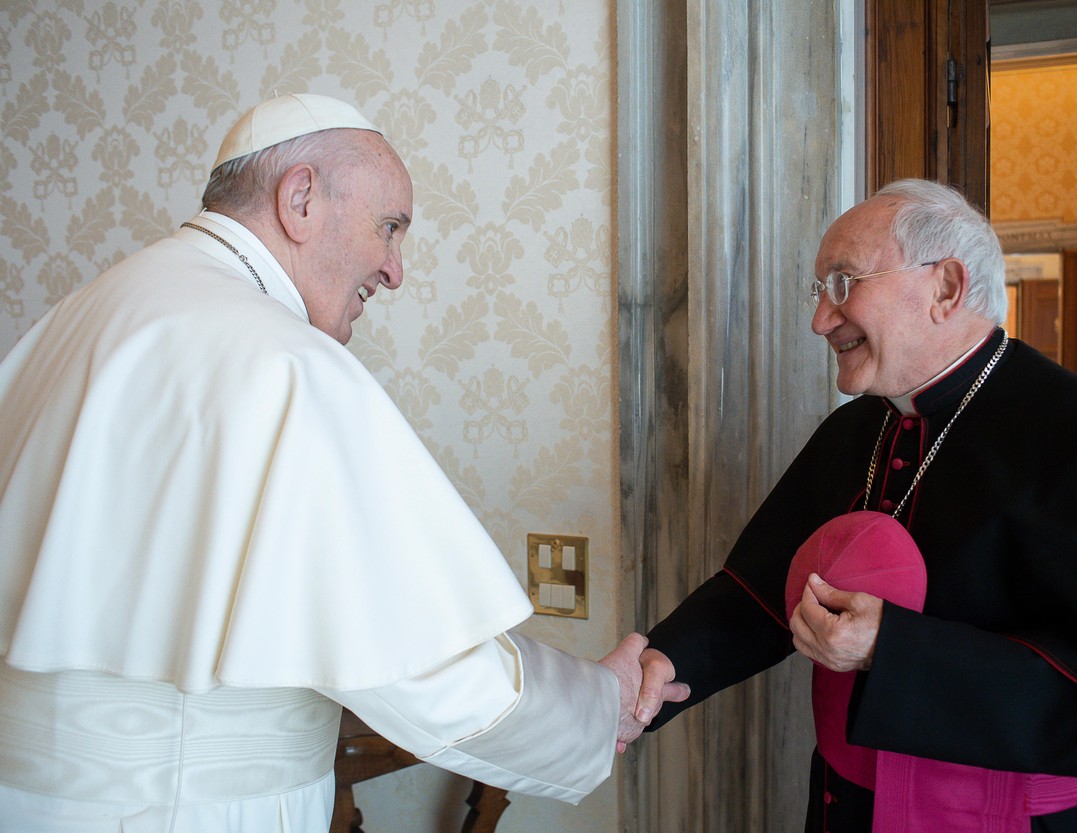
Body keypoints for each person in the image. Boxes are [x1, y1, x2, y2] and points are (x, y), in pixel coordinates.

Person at [0, 93, 684, 832]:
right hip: (185, 809)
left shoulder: (72, 319)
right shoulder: (284, 362)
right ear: (299, 198)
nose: (394, 272)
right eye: (389, 228)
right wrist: (598, 700)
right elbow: (421, 671)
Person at [629, 178, 1077, 832]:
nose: (820, 318)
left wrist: (891, 649)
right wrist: (661, 663)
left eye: (844, 283)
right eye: (819, 290)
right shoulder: (856, 430)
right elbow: (761, 593)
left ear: (946, 288)